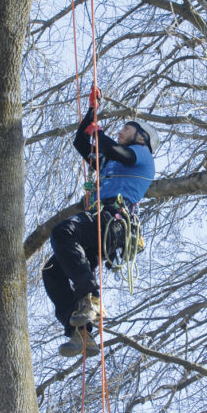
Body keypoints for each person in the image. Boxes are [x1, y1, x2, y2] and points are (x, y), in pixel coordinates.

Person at [42, 88, 158, 358]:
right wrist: (93, 111)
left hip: (112, 220)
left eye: (126, 129)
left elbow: (117, 151)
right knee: (52, 271)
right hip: (99, 229)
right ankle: (80, 333)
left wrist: (99, 134)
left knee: (63, 231)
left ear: (141, 137)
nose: (120, 132)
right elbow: (81, 144)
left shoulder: (141, 155)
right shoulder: (108, 163)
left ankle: (90, 298)